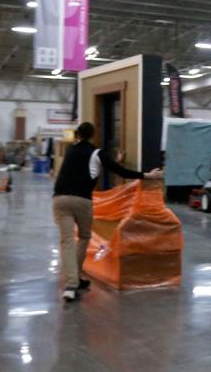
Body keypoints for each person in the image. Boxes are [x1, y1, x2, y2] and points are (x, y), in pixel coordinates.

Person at [52, 122, 163, 302]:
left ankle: (72, 284)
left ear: (78, 135)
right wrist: (147, 175)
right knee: (84, 237)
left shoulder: (70, 151)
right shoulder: (96, 153)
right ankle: (74, 280)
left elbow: (80, 168)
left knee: (66, 241)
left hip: (59, 200)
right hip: (82, 200)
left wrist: (115, 161)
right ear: (93, 136)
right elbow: (120, 172)